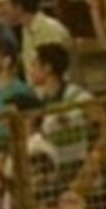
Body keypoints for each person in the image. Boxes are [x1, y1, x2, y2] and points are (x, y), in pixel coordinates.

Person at [26, 43, 94, 173]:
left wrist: (96, 154)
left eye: (34, 64)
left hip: (81, 166)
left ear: (48, 68)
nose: (30, 70)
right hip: (55, 170)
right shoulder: (39, 104)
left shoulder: (76, 96)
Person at [1, 0, 72, 78]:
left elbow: (59, 74)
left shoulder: (50, 29)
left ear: (19, 7)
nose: (3, 9)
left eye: (7, 3)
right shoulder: (26, 29)